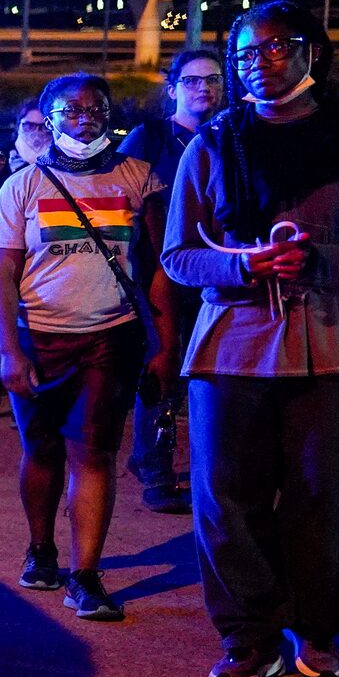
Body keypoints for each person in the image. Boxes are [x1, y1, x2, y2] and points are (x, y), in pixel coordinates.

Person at [162, 2, 339, 677]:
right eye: (244, 54)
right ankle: (248, 635)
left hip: (332, 342)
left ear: (311, 53)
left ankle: (317, 627)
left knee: (322, 497)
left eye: (273, 49)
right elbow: (178, 255)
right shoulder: (211, 144)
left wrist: (319, 262)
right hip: (230, 345)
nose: (257, 63)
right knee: (223, 496)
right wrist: (243, 265)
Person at [0, 76, 158, 620]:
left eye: (95, 108)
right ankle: (41, 548)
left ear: (110, 115)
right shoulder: (22, 187)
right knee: (41, 449)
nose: (84, 117)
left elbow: (158, 271)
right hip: (40, 338)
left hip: (111, 336)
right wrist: (9, 351)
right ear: (48, 119)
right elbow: (1, 274)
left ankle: (85, 575)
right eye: (70, 109)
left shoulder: (140, 180)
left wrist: (163, 343)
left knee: (95, 451)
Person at [118, 49, 226, 512]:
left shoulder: (231, 134)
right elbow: (116, 197)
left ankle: (154, 457)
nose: (204, 88)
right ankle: (157, 471)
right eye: (193, 80)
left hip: (219, 272)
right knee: (161, 365)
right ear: (173, 88)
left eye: (213, 80)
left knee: (206, 371)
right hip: (158, 272)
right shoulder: (150, 137)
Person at [0, 110, 52, 417]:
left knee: (32, 343)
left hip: (36, 268)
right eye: (27, 125)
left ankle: (30, 408)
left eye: (41, 125)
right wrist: (14, 186)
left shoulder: (62, 167)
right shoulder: (1, 162)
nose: (35, 131)